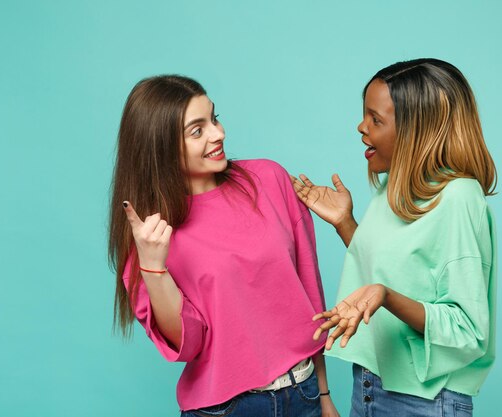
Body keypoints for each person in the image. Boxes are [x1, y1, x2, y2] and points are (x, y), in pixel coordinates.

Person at [108, 75, 339, 417]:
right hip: (225, 409)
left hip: (302, 394)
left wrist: (323, 394)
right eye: (197, 130)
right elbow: (189, 343)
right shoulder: (149, 237)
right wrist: (154, 268)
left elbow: (310, 297)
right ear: (161, 148)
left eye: (214, 118)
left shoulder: (269, 180)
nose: (219, 134)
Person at [291, 58, 497, 417]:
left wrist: (386, 297)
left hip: (425, 401)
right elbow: (390, 277)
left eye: (375, 119)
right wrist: (344, 223)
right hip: (369, 385)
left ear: (418, 130)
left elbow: (467, 330)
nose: (361, 127)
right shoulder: (391, 188)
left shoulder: (460, 198)